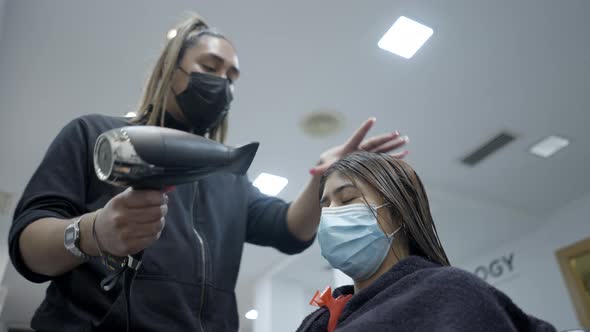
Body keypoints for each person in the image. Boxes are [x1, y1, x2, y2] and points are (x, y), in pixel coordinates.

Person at [7, 13, 409, 332]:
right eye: (210, 66)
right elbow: (27, 247)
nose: (222, 83)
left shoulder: (227, 175)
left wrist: (323, 177)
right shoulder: (95, 136)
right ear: (171, 69)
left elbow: (289, 230)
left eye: (232, 77)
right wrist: (95, 232)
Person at [297, 151, 557, 332]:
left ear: (398, 212)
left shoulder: (452, 292)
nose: (331, 214)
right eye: (326, 206)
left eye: (347, 199)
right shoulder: (322, 318)